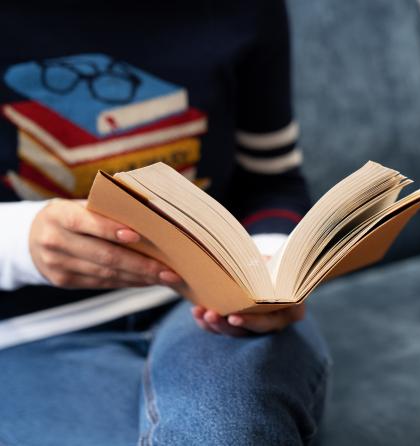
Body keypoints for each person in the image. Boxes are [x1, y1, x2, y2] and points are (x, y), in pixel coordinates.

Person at [0, 1, 329, 444]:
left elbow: (273, 179)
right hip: (27, 337)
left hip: (209, 309)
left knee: (225, 428)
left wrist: (267, 268)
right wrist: (23, 242)